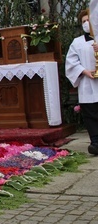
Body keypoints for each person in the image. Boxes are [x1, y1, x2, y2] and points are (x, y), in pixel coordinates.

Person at [65, 9, 98, 155]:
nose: (86, 23)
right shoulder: (77, 42)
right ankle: (95, 142)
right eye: (83, 21)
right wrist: (84, 71)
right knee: (91, 114)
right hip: (88, 83)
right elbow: (71, 63)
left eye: (88, 20)